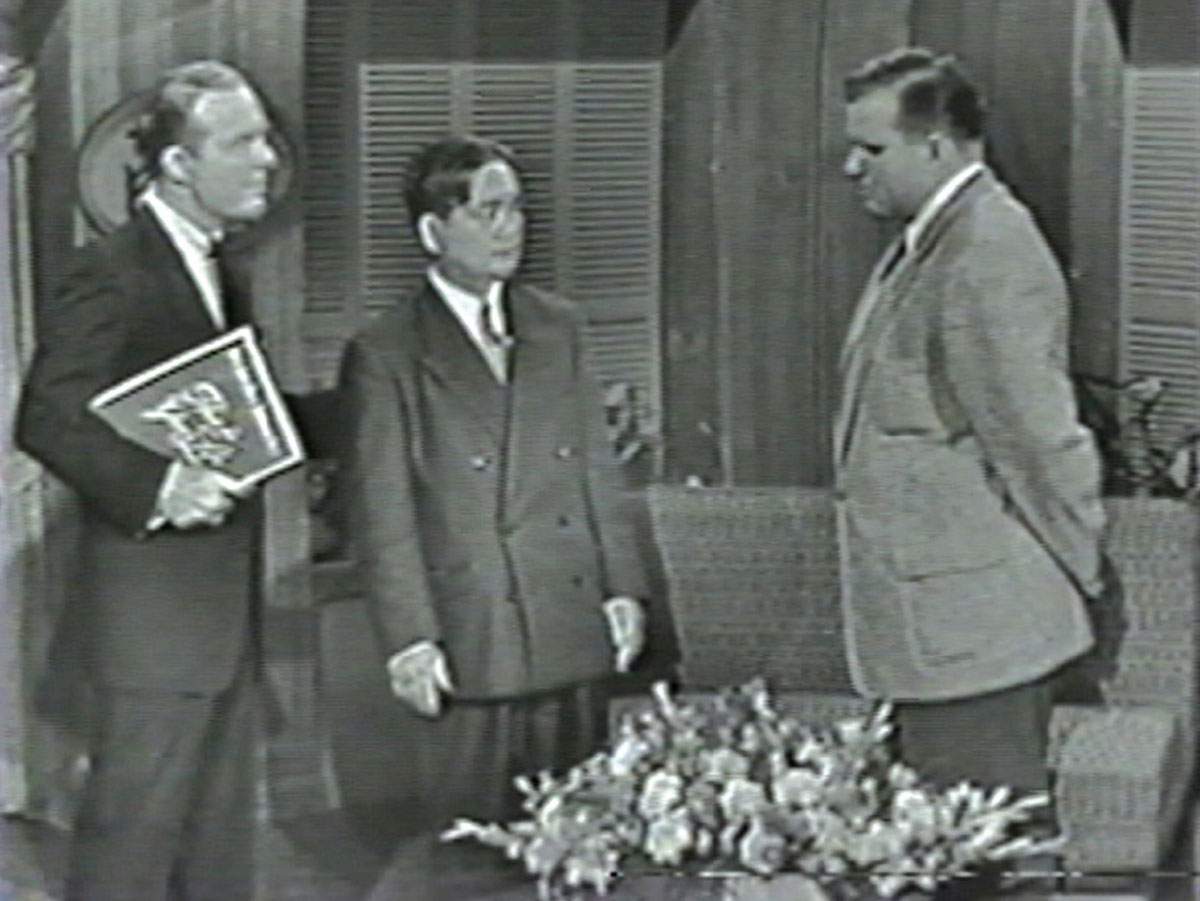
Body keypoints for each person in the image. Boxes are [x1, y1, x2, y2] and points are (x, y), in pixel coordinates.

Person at [340, 135, 663, 884]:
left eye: (516, 208)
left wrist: (624, 589)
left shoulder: (561, 327)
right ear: (432, 230)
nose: (509, 227)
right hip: (469, 634)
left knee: (583, 842)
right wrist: (409, 638)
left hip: (569, 620)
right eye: (487, 211)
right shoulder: (385, 351)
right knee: (472, 856)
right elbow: (382, 511)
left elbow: (596, 473)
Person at [834, 47, 1107, 890]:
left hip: (976, 635)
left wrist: (1076, 574)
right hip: (937, 630)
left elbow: (1040, 444)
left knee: (986, 868)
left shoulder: (990, 248)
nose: (851, 168)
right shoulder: (929, 241)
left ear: (938, 148)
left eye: (870, 150)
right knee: (943, 864)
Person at [16, 60, 284, 901]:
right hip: (155, 632)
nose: (270, 157)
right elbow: (47, 417)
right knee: (129, 859)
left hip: (214, 624)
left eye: (266, 136)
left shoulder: (219, 269)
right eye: (244, 141)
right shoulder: (112, 269)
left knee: (214, 857)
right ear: (177, 165)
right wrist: (161, 488)